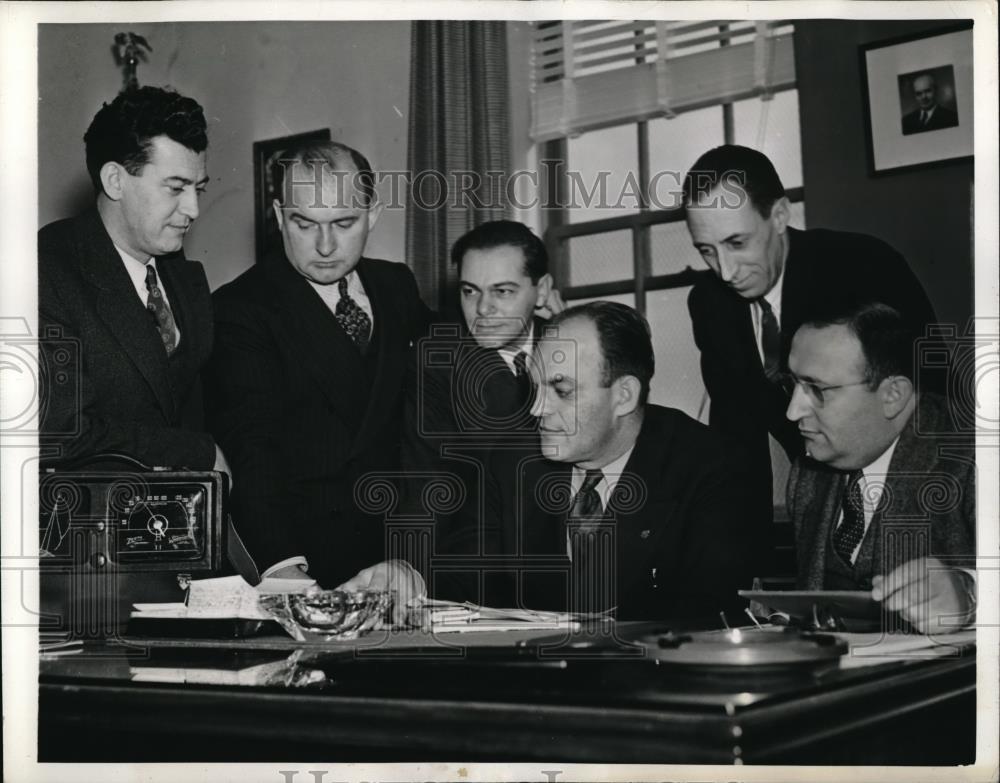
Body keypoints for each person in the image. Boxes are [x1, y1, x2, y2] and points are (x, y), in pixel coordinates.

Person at [419, 301, 755, 622]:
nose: (536, 409)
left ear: (623, 396)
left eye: (562, 391)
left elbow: (708, 617)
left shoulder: (709, 465)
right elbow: (462, 577)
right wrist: (411, 578)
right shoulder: (512, 463)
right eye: (534, 387)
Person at [683, 144, 937, 568]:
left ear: (780, 215)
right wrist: (747, 574)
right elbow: (737, 444)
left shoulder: (863, 265)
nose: (726, 271)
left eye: (737, 242)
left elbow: (933, 396)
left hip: (916, 490)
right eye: (707, 251)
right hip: (814, 499)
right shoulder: (710, 304)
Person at [205, 141, 432, 587]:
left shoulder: (396, 285)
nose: (325, 245)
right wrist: (284, 570)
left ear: (373, 214)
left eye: (344, 223)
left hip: (400, 563)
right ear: (277, 216)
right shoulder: (240, 308)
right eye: (304, 223)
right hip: (309, 561)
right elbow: (252, 449)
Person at [38, 86, 228, 475]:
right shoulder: (45, 269)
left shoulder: (181, 273)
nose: (192, 209)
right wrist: (196, 453)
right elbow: (59, 433)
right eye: (175, 188)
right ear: (115, 181)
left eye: (199, 189)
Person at [785, 302, 975, 634]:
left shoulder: (979, 458)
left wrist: (971, 594)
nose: (792, 411)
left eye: (816, 389)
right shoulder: (810, 470)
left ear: (893, 395)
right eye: (792, 385)